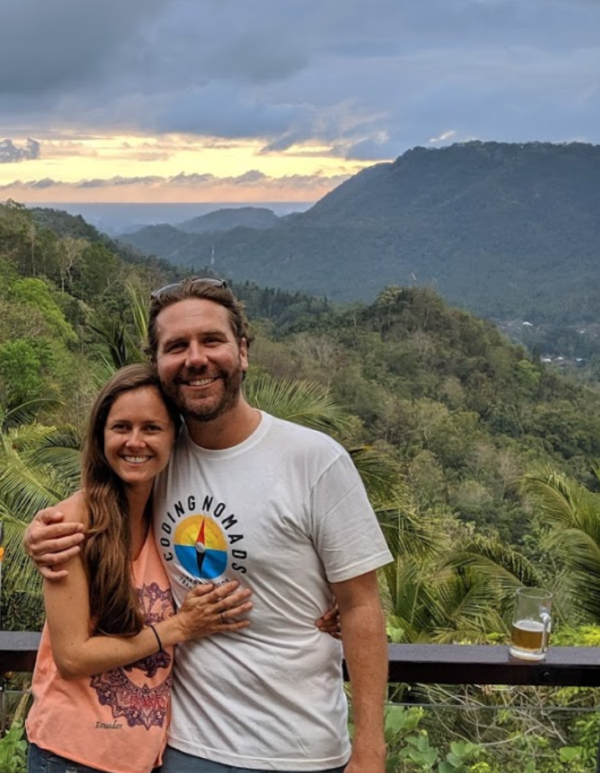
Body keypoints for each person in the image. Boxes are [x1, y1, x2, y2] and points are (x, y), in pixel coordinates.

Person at [25, 278, 393, 773]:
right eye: (176, 346)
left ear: (242, 352)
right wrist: (41, 532)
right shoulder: (159, 458)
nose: (195, 358)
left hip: (304, 748)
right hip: (183, 748)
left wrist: (370, 748)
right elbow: (96, 500)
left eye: (211, 340)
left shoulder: (314, 459)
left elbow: (362, 604)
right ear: (159, 364)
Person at [25, 363, 256, 773]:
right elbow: (73, 657)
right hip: (72, 756)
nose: (135, 442)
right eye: (121, 428)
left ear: (175, 437)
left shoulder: (171, 518)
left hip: (143, 758)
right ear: (101, 436)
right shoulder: (74, 523)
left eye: (151, 428)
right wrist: (180, 628)